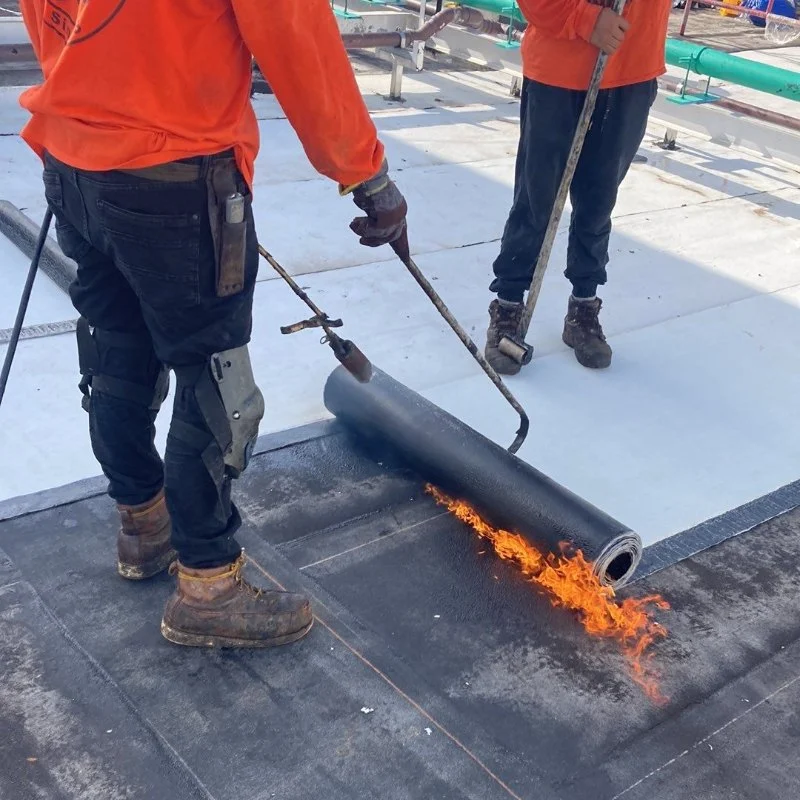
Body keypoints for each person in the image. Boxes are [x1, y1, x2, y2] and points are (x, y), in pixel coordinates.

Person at [18, 0, 408, 648]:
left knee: (118, 350)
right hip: (177, 177)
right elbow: (298, 40)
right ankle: (209, 586)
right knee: (215, 383)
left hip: (75, 161)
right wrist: (367, 176)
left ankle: (144, 524)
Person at [485, 0, 671, 374]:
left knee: (598, 202)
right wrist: (586, 18)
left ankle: (583, 306)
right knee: (536, 200)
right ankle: (508, 306)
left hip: (631, 69)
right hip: (558, 73)